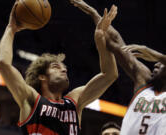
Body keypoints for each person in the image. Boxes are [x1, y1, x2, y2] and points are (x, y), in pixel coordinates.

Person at [0, 0, 118, 134]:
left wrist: (101, 40)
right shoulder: (31, 100)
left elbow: (109, 75)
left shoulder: (75, 101)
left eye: (64, 68)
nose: (64, 70)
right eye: (56, 66)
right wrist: (11, 28)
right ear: (42, 76)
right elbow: (4, 63)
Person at [70, 0, 166, 134]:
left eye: (161, 65)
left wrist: (158, 56)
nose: (156, 64)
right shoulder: (144, 81)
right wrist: (94, 14)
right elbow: (115, 42)